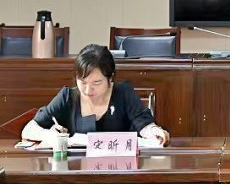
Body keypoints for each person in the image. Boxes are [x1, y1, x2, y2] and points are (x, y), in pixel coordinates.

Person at [22, 44, 170, 145]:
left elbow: (143, 123)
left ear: (110, 78)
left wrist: (154, 132)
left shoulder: (123, 93)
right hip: (77, 171)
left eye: (96, 83)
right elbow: (29, 129)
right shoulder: (67, 97)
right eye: (82, 82)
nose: (87, 90)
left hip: (119, 169)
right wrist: (48, 135)